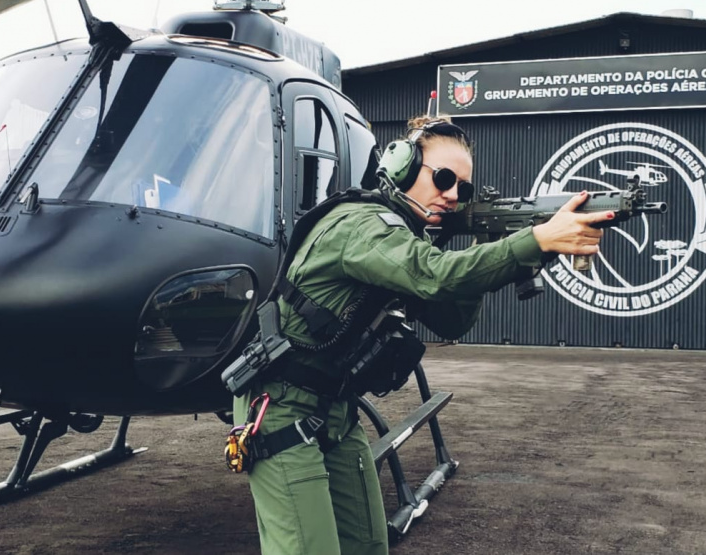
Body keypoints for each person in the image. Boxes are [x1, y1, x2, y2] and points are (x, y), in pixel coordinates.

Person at [233, 116, 611, 555]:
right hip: (280, 409)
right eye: (444, 179)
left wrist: (493, 248)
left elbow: (452, 320)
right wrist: (534, 240)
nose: (452, 195)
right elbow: (436, 277)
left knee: (369, 545)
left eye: (463, 189)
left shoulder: (407, 237)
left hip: (335, 409)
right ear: (401, 166)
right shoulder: (362, 224)